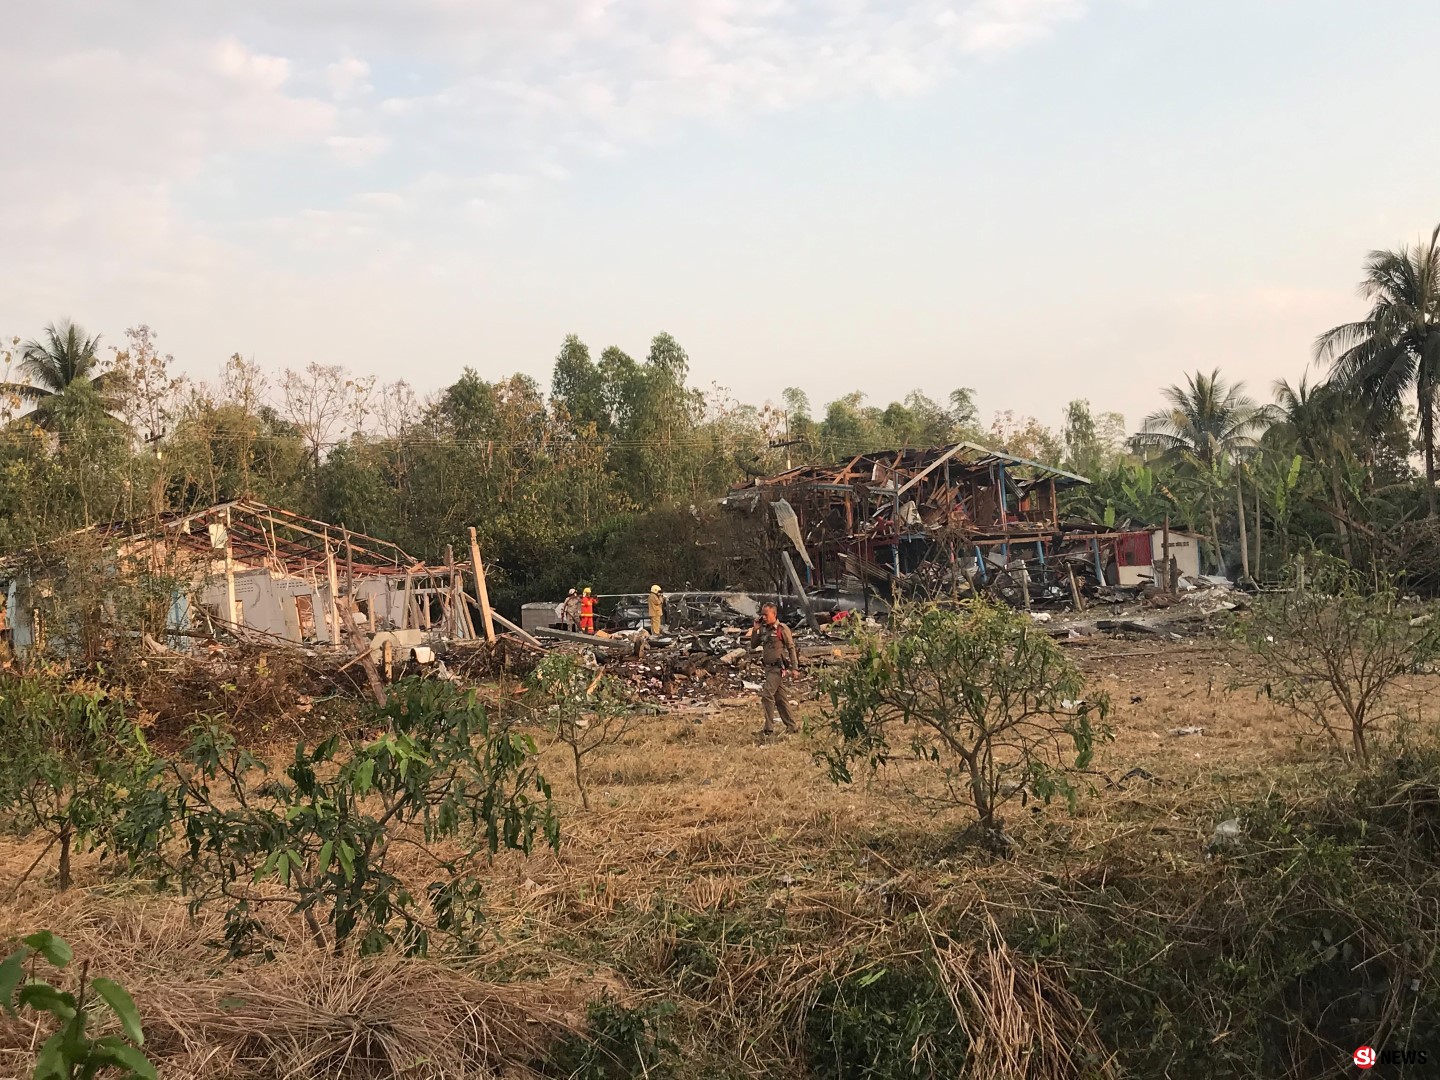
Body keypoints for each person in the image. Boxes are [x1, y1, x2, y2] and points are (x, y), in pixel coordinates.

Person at [744, 601, 800, 735]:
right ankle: (792, 726)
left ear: (774, 614)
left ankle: (768, 728)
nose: (764, 617)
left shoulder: (782, 629)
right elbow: (753, 644)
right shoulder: (763, 629)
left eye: (766, 614)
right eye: (762, 614)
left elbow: (791, 648)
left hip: (777, 668)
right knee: (780, 699)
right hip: (768, 669)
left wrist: (795, 668)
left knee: (767, 695)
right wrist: (755, 629)